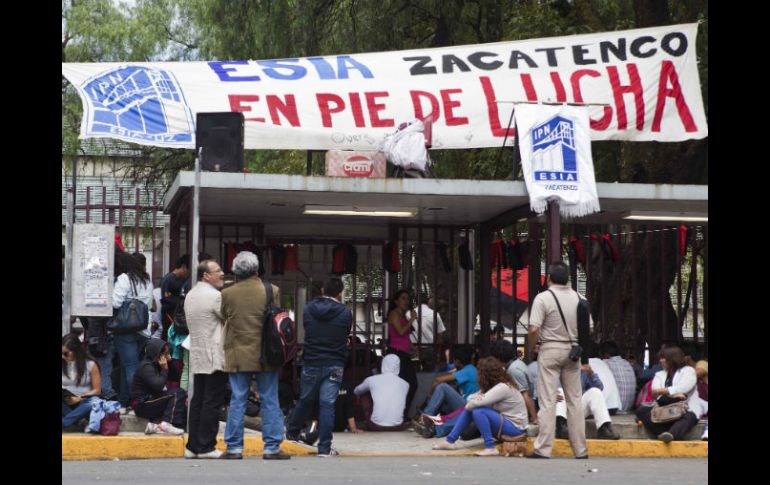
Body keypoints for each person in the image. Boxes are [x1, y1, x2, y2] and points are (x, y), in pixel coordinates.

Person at [220, 251, 290, 460]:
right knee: (269, 399)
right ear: (257, 270)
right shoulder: (272, 290)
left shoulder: (227, 293)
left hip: (238, 354)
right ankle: (271, 447)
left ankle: (233, 447)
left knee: (238, 399)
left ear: (235, 271)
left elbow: (224, 316)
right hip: (266, 353)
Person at [527, 261, 587, 459]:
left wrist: (532, 346)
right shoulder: (580, 298)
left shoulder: (543, 298)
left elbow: (534, 328)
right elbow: (589, 327)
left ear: (549, 278)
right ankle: (580, 450)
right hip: (573, 352)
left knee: (548, 400)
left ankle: (543, 448)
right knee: (575, 401)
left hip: (550, 349)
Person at [287, 277, 353, 456]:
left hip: (312, 361)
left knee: (305, 400)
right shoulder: (345, 312)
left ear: (323, 290)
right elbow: (345, 333)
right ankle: (324, 448)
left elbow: (308, 329)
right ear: (340, 293)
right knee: (327, 404)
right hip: (334, 363)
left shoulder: (308, 309)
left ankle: (292, 434)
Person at [432, 357, 528, 456]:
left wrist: (475, 401)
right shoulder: (493, 387)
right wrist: (475, 400)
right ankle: (450, 441)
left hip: (516, 430)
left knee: (478, 411)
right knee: (475, 408)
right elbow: (470, 398)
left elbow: (470, 404)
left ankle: (490, 447)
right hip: (507, 426)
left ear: (485, 375)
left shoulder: (502, 388)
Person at [183, 260, 227, 459]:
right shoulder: (215, 296)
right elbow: (229, 319)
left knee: (198, 400)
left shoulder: (191, 295)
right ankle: (207, 446)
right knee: (212, 401)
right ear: (206, 276)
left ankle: (193, 446)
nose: (222, 273)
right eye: (217, 271)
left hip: (198, 354)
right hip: (214, 354)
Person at [112, 250, 153, 410]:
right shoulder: (146, 280)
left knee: (130, 367)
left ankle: (138, 403)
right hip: (143, 329)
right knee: (125, 366)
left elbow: (115, 303)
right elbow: (148, 305)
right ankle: (124, 401)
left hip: (125, 330)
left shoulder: (124, 278)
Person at [635, 346, 703, 443]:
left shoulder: (688, 371)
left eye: (664, 358)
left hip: (685, 410)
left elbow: (683, 388)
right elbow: (654, 391)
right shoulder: (660, 374)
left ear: (673, 358)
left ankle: (671, 434)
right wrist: (674, 394)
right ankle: (665, 433)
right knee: (641, 411)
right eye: (660, 358)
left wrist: (663, 391)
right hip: (664, 409)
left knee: (690, 417)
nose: (661, 361)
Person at [130, 339, 187, 435]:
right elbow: (158, 386)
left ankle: (156, 426)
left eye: (168, 353)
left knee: (182, 409)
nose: (166, 356)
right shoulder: (146, 366)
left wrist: (170, 361)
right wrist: (164, 369)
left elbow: (176, 377)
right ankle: (165, 425)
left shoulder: (157, 363)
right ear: (156, 352)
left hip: (152, 400)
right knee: (177, 393)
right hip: (142, 404)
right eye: (165, 353)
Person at [554, 363, 620, 440]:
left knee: (595, 391)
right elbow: (540, 390)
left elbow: (600, 387)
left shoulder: (582, 372)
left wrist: (591, 373)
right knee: (560, 391)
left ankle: (603, 429)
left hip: (575, 409)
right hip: (559, 410)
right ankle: (560, 428)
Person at [386, 289, 419, 419]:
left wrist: (412, 347)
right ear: (396, 301)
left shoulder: (403, 316)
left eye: (407, 299)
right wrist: (411, 320)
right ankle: (399, 414)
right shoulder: (394, 314)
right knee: (403, 385)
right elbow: (400, 332)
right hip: (396, 354)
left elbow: (404, 337)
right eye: (403, 298)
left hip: (404, 354)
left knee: (411, 384)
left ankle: (402, 414)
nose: (406, 301)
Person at [354, 354, 410, 431]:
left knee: (365, 394)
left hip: (375, 426)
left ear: (383, 364)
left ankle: (362, 420)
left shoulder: (371, 380)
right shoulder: (405, 384)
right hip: (398, 426)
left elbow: (356, 391)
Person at [490, 339, 538, 425]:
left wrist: (535, 419)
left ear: (498, 358)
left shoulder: (514, 370)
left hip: (521, 412)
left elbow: (525, 395)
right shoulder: (516, 363)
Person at [62, 334, 102, 429]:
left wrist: (79, 398)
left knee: (95, 402)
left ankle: (65, 422)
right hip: (65, 403)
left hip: (83, 402)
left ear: (75, 351)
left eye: (66, 353)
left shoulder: (90, 364)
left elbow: (97, 390)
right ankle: (80, 421)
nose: (63, 356)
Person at [600, 341, 637, 412]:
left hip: (614, 409)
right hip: (628, 408)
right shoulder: (627, 364)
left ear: (606, 355)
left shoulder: (604, 363)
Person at [160, 254, 191, 341]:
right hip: (169, 316)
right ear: (184, 267)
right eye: (189, 270)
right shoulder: (168, 279)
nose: (189, 273)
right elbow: (165, 299)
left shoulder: (182, 280)